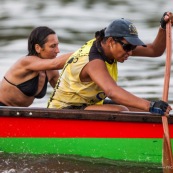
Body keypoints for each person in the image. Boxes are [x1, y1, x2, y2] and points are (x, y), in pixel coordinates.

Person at [47, 12, 173, 115]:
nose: (130, 52)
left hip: (88, 105)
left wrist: (163, 27)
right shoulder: (93, 60)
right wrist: (150, 105)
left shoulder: (112, 47)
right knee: (122, 111)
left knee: (139, 108)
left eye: (133, 48)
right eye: (127, 47)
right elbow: (112, 92)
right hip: (63, 111)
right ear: (111, 41)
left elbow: (154, 50)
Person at [0, 26, 71, 107]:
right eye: (53, 46)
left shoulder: (52, 72)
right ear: (38, 48)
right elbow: (56, 63)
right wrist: (84, 52)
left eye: (57, 45)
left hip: (21, 113)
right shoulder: (25, 62)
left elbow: (66, 94)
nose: (58, 51)